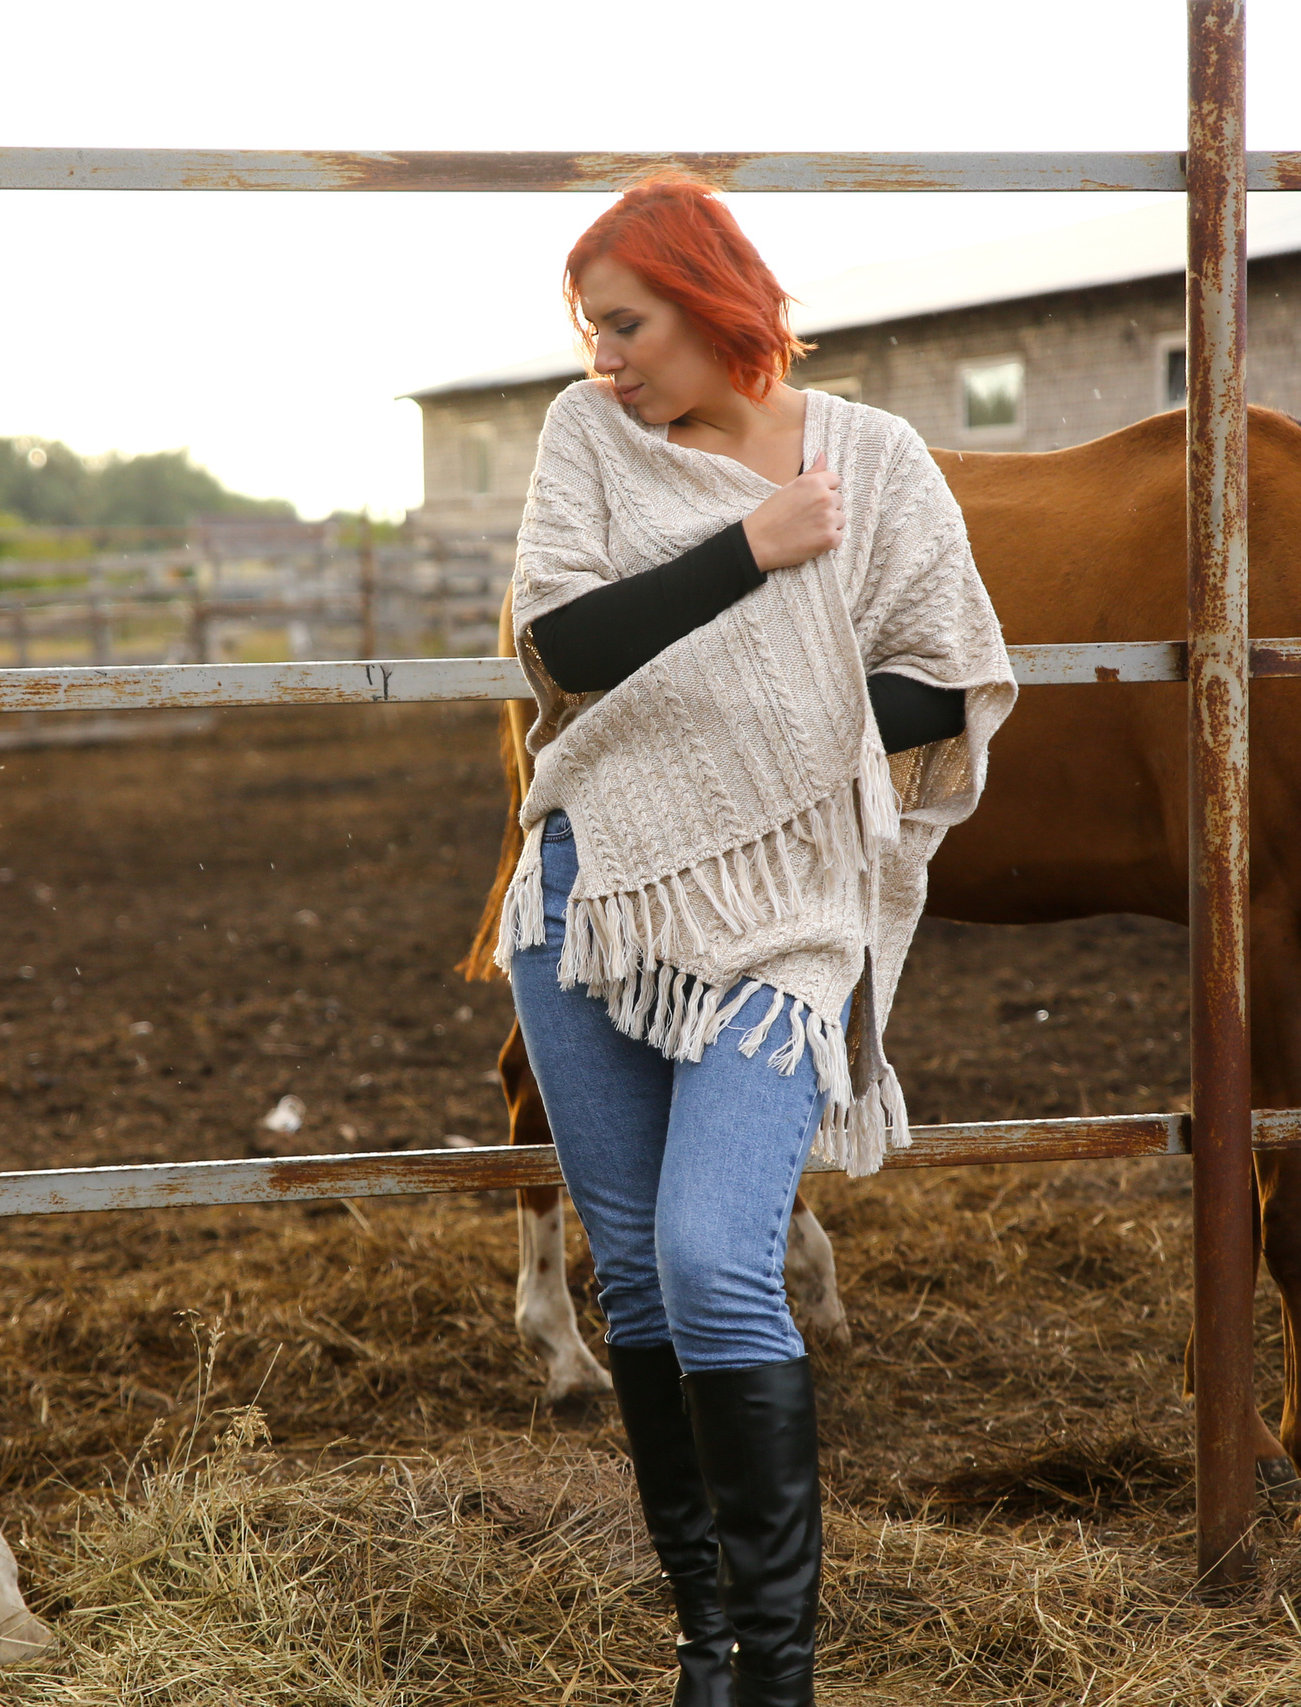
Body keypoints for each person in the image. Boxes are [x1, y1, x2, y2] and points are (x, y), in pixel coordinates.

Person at [496, 176, 1016, 1706]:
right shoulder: (586, 440)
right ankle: (705, 1651)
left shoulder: (878, 462)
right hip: (596, 895)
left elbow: (951, 678)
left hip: (790, 912)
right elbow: (560, 647)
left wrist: (791, 730)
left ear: (714, 295)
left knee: (720, 1259)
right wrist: (757, 552)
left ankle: (775, 1675)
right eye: (591, 332)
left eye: (627, 324)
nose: (608, 359)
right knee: (642, 1285)